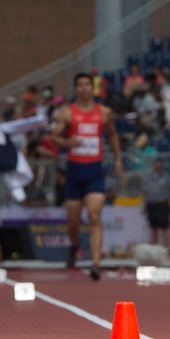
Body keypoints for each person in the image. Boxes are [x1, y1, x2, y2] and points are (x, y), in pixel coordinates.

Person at [51, 73, 123, 280]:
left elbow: (112, 135)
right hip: (74, 172)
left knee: (94, 216)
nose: (84, 88)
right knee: (73, 221)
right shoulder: (68, 113)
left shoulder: (104, 112)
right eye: (80, 85)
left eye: (87, 85)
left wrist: (118, 159)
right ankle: (74, 245)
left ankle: (96, 263)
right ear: (76, 89)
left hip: (94, 171)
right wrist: (67, 143)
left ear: (93, 89)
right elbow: (54, 137)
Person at [143, 157, 170, 248]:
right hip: (151, 205)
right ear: (154, 166)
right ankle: (153, 250)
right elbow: (145, 193)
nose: (158, 167)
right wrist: (144, 206)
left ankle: (167, 248)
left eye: (160, 165)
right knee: (153, 228)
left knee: (165, 227)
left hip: (163, 205)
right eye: (156, 165)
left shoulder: (167, 177)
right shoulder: (148, 177)